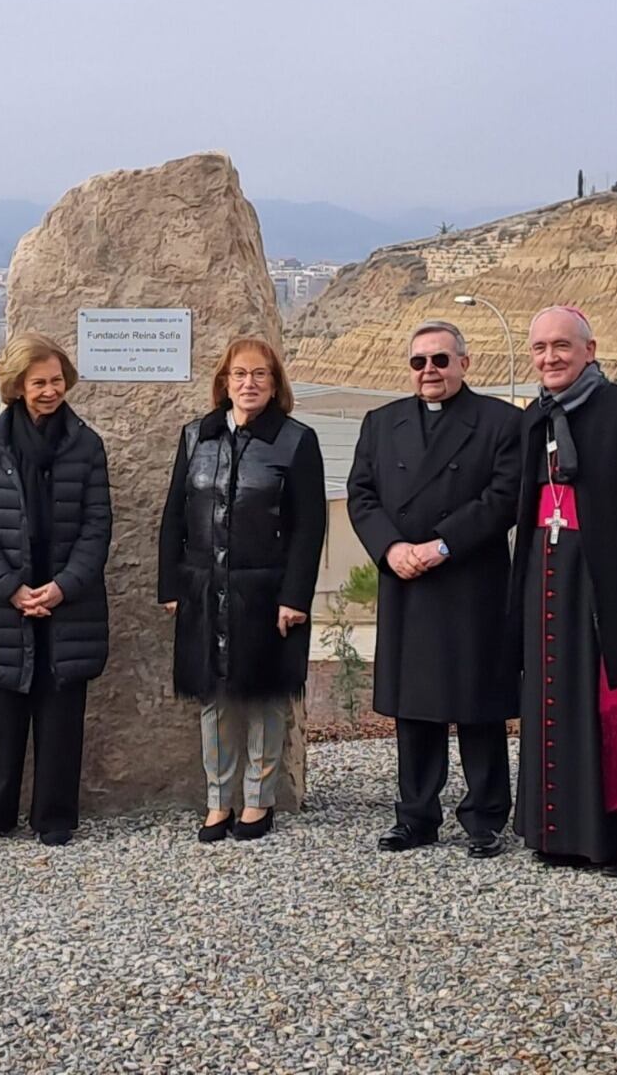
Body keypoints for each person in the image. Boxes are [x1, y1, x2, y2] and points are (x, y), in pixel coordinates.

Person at [508, 307, 617, 874]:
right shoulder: (534, 418)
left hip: (610, 579)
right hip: (546, 573)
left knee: (615, 703)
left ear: (591, 348)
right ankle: (557, 834)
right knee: (552, 700)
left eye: (562, 346)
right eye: (540, 349)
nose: (550, 358)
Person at [347, 320, 521, 858]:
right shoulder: (381, 423)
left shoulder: (502, 422)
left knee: (478, 705)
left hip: (471, 580)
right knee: (414, 705)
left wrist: (442, 545)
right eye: (419, 362)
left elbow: (504, 496)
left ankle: (486, 817)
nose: (430, 372)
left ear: (464, 364)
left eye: (441, 360)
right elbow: (362, 494)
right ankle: (416, 816)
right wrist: (391, 549)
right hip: (406, 579)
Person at [158, 336, 326, 842]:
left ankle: (259, 800)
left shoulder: (296, 441)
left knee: (265, 697)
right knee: (213, 698)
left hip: (269, 591)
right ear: (223, 382)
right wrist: (172, 585)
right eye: (239, 375)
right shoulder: (195, 437)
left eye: (259, 375)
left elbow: (309, 525)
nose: (248, 384)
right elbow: (174, 518)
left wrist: (295, 596)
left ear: (274, 384)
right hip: (205, 588)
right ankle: (217, 801)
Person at [0, 332, 111, 846]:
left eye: (56, 381)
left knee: (62, 712)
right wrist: (11, 588)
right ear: (17, 386)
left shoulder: (87, 445)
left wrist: (62, 588)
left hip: (69, 603)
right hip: (3, 604)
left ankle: (54, 815)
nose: (49, 391)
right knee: (4, 713)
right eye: (38, 382)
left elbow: (98, 528)